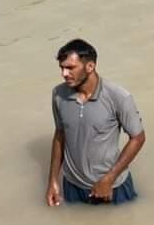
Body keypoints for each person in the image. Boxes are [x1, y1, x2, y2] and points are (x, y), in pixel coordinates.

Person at [47, 39, 146, 207]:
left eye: (70, 68)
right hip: (72, 186)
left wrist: (109, 179)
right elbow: (60, 135)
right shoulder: (58, 94)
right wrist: (53, 181)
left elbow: (138, 138)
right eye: (62, 68)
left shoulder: (119, 97)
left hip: (112, 187)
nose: (64, 73)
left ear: (90, 66)